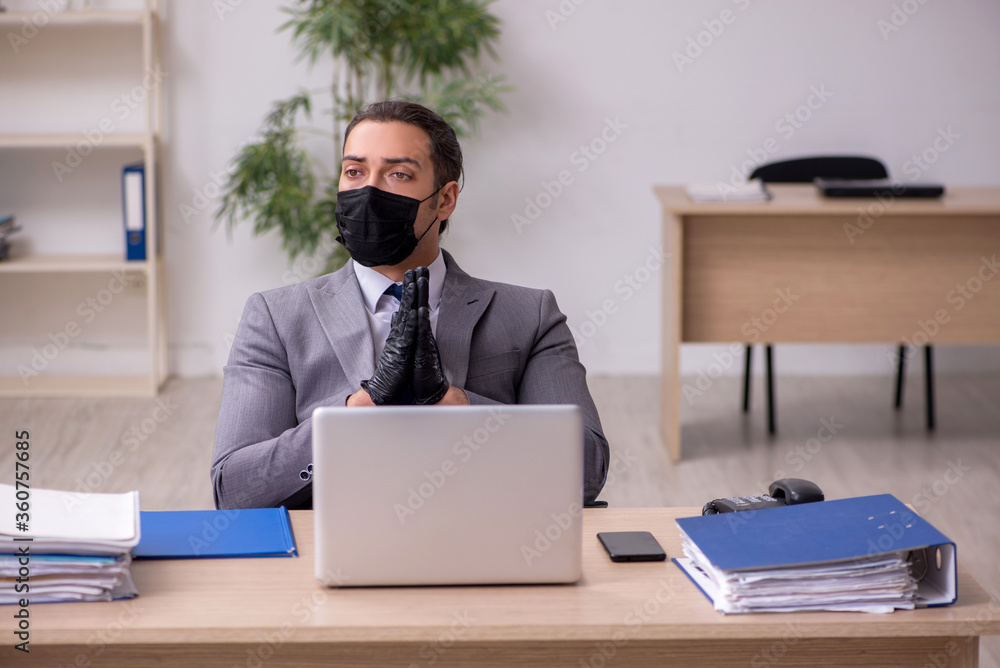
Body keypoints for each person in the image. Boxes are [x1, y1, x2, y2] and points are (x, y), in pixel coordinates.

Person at [211, 100, 609, 509]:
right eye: (354, 171)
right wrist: (363, 405)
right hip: (329, 552)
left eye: (398, 174)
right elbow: (235, 488)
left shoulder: (530, 315)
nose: (370, 190)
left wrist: (453, 402)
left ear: (445, 200)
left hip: (485, 543)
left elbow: (587, 469)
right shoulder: (275, 317)